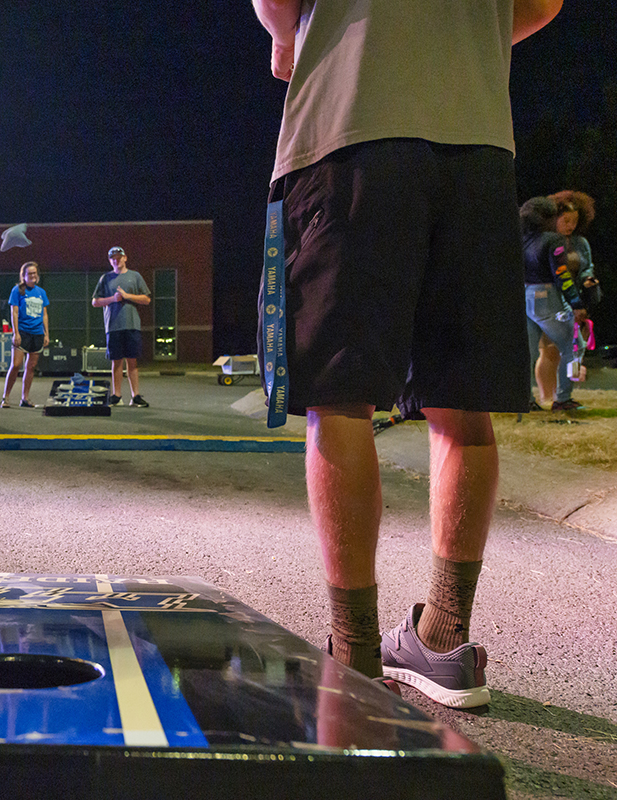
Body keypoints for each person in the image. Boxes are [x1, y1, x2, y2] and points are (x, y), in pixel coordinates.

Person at [252, 0, 561, 707]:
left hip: (351, 127)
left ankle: (354, 651)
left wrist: (285, 39)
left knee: (340, 395)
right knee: (463, 400)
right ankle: (445, 637)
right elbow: (544, 4)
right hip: (479, 142)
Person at [533, 191, 601, 404]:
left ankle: (563, 395)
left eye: (575, 221)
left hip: (574, 300)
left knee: (572, 348)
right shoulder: (546, 242)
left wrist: (588, 280)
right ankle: (550, 396)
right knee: (550, 350)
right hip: (551, 299)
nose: (571, 225)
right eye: (566, 220)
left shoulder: (580, 243)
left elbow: (587, 267)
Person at [523, 197, 587, 411]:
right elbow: (562, 274)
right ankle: (564, 398)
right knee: (575, 346)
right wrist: (576, 303)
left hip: (525, 296)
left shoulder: (523, 239)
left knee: (528, 352)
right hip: (547, 297)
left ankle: (525, 399)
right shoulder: (553, 240)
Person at [91, 246, 150, 407]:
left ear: (125, 258)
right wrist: (113, 299)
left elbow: (146, 299)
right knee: (116, 362)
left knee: (132, 361)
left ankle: (135, 396)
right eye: (113, 258)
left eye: (119, 257)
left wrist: (127, 296)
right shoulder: (105, 278)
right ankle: (116, 395)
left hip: (132, 325)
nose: (116, 260)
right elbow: (95, 302)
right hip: (113, 326)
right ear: (110, 261)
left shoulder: (135, 276)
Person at [1, 262, 49, 408]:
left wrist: (46, 334)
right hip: (23, 333)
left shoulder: (41, 292)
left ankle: (25, 398)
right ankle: (6, 397)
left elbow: (44, 314)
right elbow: (14, 312)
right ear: (24, 276)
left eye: (34, 273)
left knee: (31, 367)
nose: (33, 276)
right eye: (30, 273)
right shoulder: (17, 291)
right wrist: (16, 333)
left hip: (37, 334)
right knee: (16, 365)